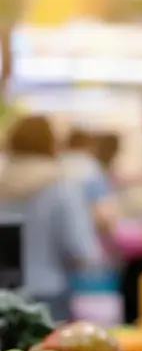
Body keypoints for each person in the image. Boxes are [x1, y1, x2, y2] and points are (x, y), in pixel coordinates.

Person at [0, 116, 102, 320]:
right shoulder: (62, 187)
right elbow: (81, 250)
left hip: (4, 295)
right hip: (49, 296)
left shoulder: (3, 183)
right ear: (51, 144)